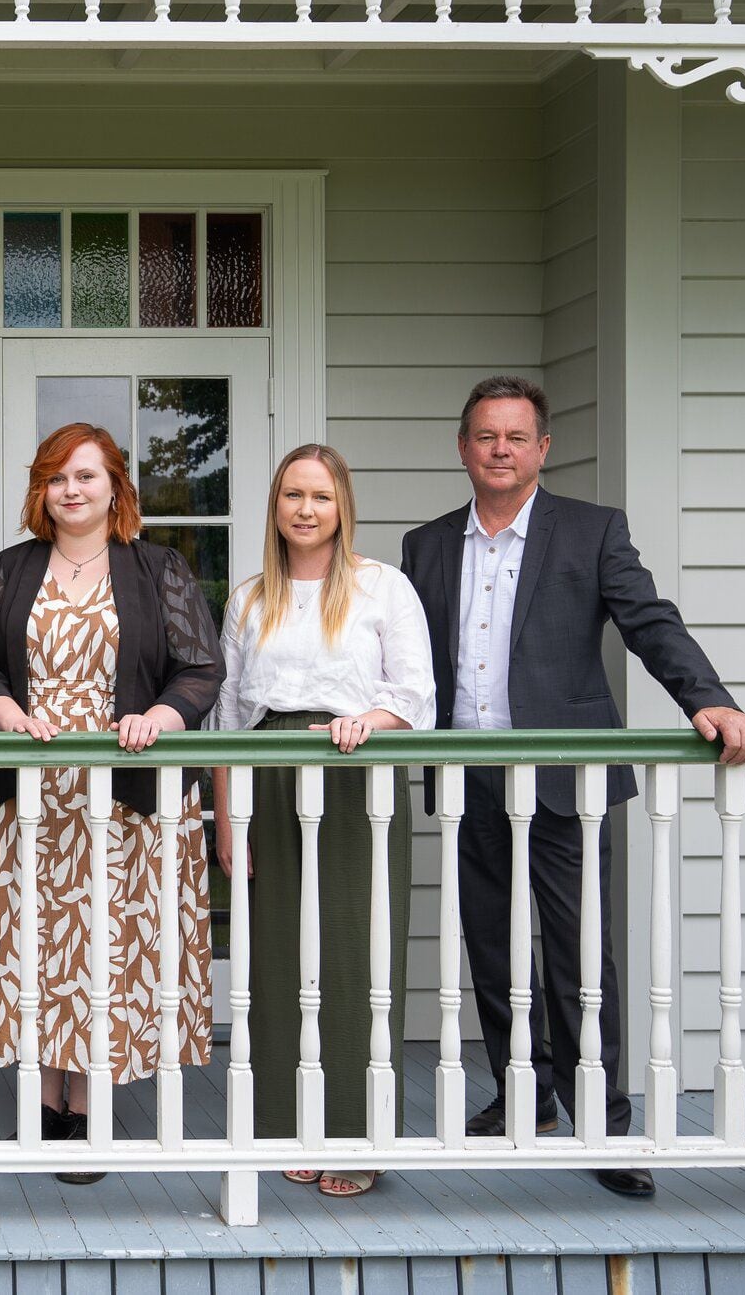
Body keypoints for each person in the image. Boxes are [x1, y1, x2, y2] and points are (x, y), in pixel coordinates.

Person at [400, 374, 745, 1200]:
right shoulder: (424, 546)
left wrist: (709, 698)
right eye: (486, 436)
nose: (500, 449)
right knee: (491, 948)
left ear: (542, 448)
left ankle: (604, 1119)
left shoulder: (592, 532)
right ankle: (523, 1094)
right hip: (468, 778)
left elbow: (650, 621)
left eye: (516, 437)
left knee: (579, 956)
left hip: (570, 780)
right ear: (463, 447)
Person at [0, 421, 222, 1185]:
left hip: (124, 798)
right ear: (42, 490)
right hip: (28, 797)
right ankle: (44, 1103)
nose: (72, 490)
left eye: (87, 477)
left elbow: (201, 669)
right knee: (36, 944)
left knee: (106, 944)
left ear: (115, 488)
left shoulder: (158, 567)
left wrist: (157, 717)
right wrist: (8, 714)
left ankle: (91, 1098)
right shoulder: (7, 568)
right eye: (57, 478)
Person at [212, 443, 434, 1199]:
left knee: (353, 953)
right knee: (277, 953)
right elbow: (228, 716)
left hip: (354, 779)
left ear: (343, 506)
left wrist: (368, 720)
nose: (306, 509)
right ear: (275, 507)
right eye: (292, 495)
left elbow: (416, 696)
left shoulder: (383, 588)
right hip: (267, 778)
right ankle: (288, 1121)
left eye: (321, 496)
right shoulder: (250, 596)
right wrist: (223, 818)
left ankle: (359, 1134)